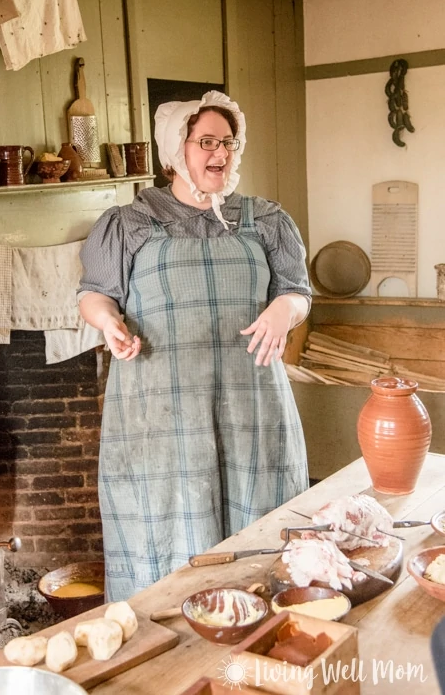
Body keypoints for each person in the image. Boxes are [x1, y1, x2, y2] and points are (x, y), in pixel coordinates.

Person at [78, 90, 311, 601]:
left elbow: (298, 292)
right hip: (162, 411)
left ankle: (258, 635)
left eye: (227, 142)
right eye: (205, 141)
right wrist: (109, 322)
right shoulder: (128, 223)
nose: (220, 154)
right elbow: (94, 294)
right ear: (173, 150)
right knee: (167, 527)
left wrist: (284, 309)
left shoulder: (265, 219)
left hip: (250, 401)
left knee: (260, 527)